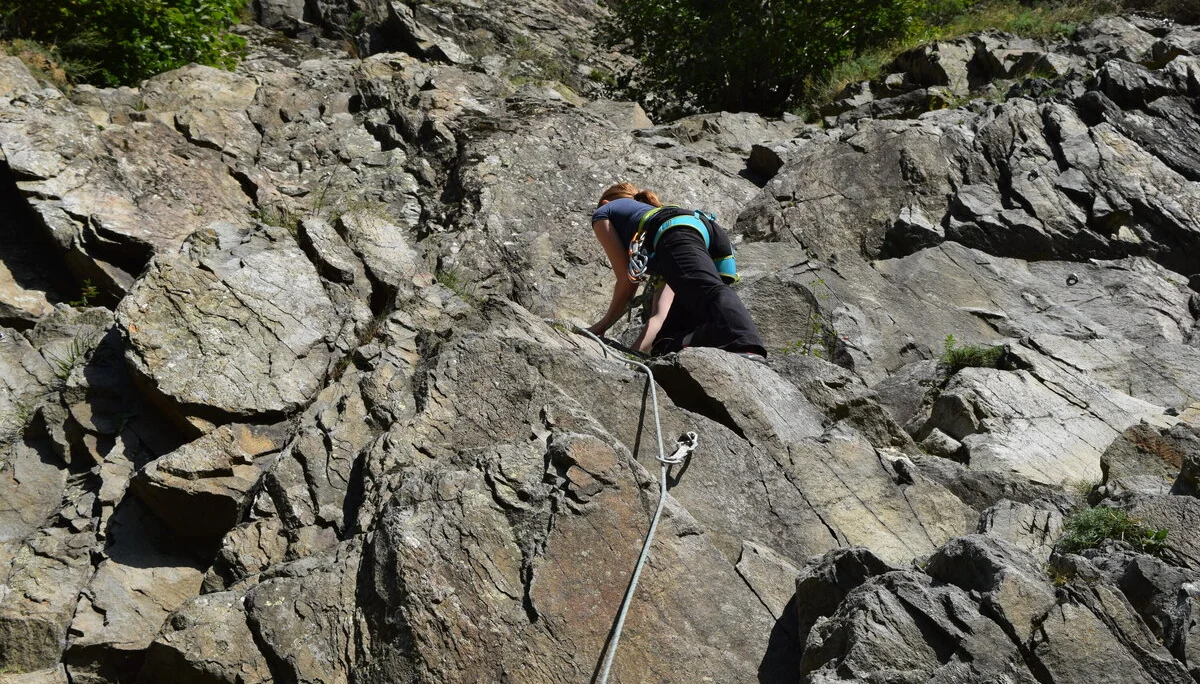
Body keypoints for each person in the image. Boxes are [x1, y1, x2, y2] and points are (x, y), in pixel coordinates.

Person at [586, 182, 766, 358]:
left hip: (677, 231)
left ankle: (745, 343)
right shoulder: (658, 249)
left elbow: (627, 282)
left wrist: (600, 327)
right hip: (706, 235)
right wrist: (631, 358)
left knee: (706, 289)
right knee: (666, 341)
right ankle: (710, 344)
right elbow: (659, 317)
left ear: (605, 203)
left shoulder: (605, 210)